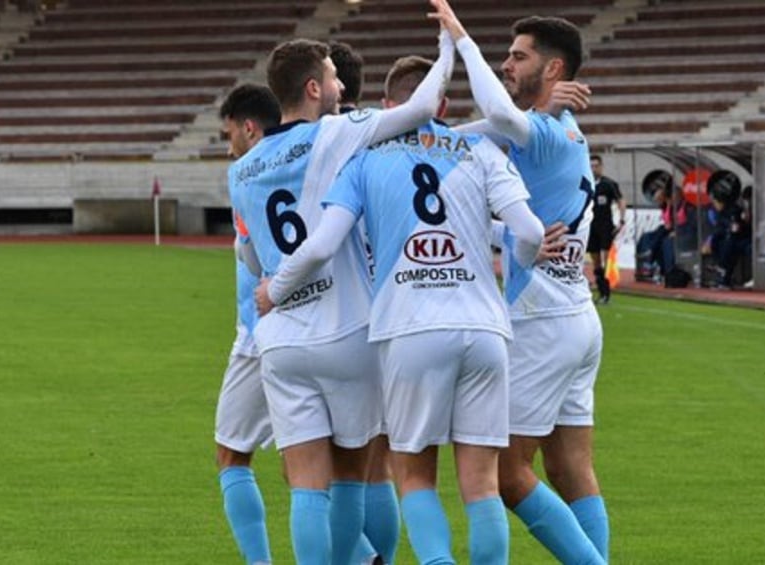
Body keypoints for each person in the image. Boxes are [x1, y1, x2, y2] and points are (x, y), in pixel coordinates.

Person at [261, 54, 546, 565]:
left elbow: (326, 241)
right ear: (443, 103)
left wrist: (276, 289)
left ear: (393, 106)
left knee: (414, 476)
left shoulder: (364, 160)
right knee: (481, 485)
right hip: (483, 327)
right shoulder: (478, 149)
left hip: (408, 328)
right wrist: (508, 274)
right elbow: (528, 233)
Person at [228, 33, 452, 565]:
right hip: (347, 328)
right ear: (313, 88)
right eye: (332, 76)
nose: (340, 85)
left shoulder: (242, 167)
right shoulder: (336, 131)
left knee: (306, 484)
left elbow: (253, 261)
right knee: (357, 477)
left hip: (281, 339)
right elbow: (423, 105)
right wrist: (451, 45)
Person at [431, 1, 609, 563]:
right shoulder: (560, 128)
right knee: (569, 467)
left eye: (517, 55)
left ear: (553, 70)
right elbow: (469, 132)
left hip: (539, 318)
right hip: (575, 316)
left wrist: (460, 38)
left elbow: (502, 120)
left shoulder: (546, 132)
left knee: (507, 474)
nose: (506, 64)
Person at [328, 38, 401, 565]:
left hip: (329, 312)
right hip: (392, 307)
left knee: (315, 468)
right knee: (380, 460)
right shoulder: (384, 134)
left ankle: (356, 559)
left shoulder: (317, 139)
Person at [213, 82, 281, 565]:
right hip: (333, 324)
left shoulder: (246, 172)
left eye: (229, 132)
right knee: (328, 465)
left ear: (249, 127)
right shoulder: (317, 155)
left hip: (262, 333)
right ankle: (364, 555)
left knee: (232, 454)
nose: (228, 143)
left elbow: (252, 256)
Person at [588, 154, 625, 304]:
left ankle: (606, 293)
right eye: (591, 166)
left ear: (601, 167)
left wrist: (621, 220)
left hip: (605, 227)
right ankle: (601, 292)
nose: (594, 168)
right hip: (590, 227)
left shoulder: (608, 184)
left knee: (605, 260)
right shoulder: (586, 184)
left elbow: (621, 200)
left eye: (596, 166)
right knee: (595, 262)